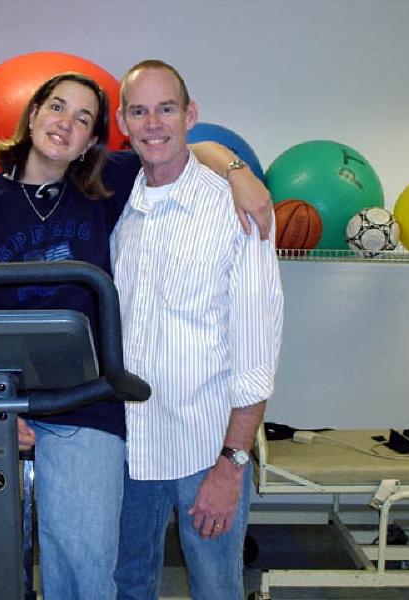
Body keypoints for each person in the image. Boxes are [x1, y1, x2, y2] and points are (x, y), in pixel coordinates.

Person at [0, 71, 272, 600]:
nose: (66, 123)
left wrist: (241, 173)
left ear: (94, 141)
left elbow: (183, 143)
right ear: (32, 114)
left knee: (82, 551)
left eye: (84, 119)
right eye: (57, 107)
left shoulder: (107, 189)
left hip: (84, 400)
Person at [110, 60, 284, 600]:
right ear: (122, 120)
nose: (153, 123)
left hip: (205, 449)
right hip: (128, 448)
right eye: (139, 110)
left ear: (191, 115)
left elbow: (257, 353)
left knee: (216, 589)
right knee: (126, 585)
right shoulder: (114, 206)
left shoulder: (238, 210)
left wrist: (231, 465)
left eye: (166, 108)